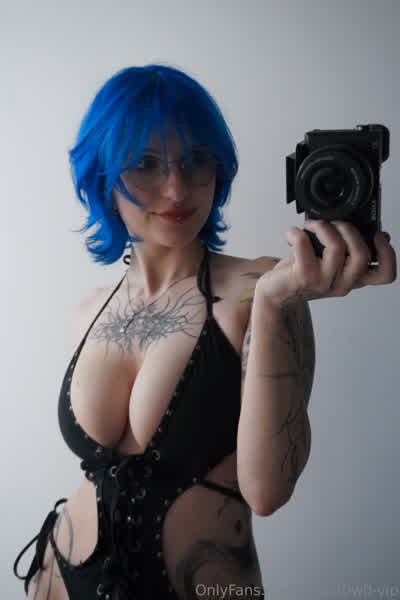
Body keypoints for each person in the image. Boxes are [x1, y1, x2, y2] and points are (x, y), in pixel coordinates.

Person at [13, 64, 396, 600]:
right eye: (146, 164)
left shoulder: (261, 289)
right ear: (103, 176)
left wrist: (273, 307)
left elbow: (267, 492)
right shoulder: (89, 310)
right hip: (57, 581)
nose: (176, 188)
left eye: (196, 161)